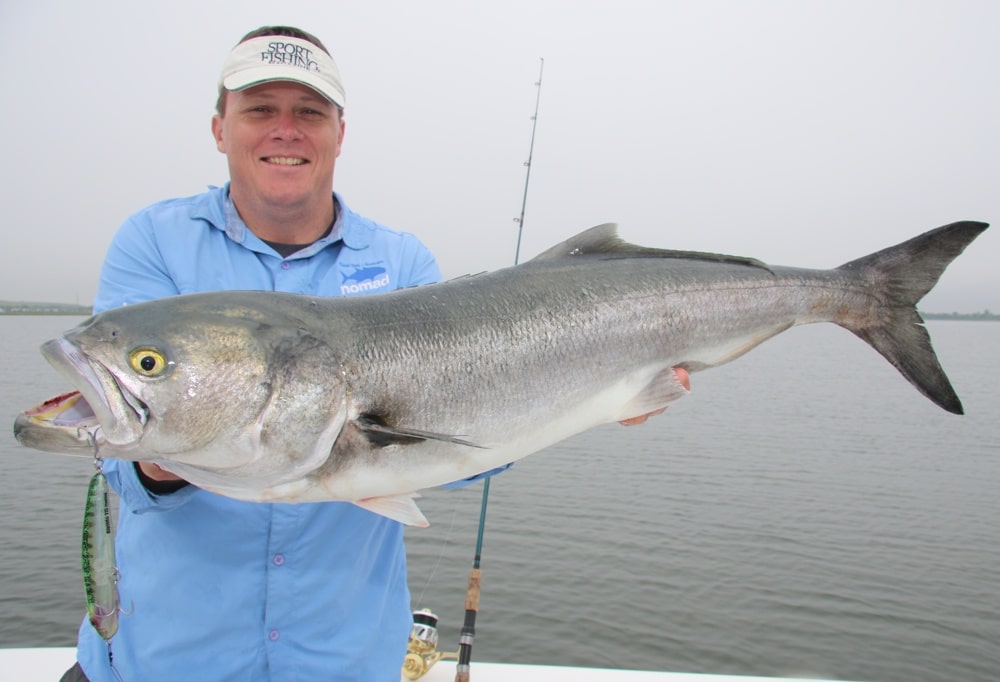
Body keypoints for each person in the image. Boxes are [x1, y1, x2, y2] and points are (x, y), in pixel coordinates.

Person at [61, 25, 686, 682]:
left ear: (339, 132)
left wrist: (601, 394)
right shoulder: (152, 244)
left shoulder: (400, 263)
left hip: (342, 663)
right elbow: (124, 463)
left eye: (308, 112)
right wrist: (164, 451)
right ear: (220, 127)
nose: (285, 130)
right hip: (164, 662)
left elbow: (450, 453)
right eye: (260, 110)